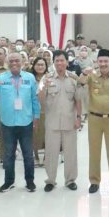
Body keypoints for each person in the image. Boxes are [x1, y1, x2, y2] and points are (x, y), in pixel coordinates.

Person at [0, 52, 40, 193]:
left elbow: (35, 99)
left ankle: (30, 181)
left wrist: (36, 116)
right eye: (11, 61)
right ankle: (9, 182)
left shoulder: (29, 78)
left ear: (22, 62)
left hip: (26, 121)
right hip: (8, 122)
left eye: (17, 60)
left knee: (28, 154)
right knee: (8, 154)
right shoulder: (1, 78)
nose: (14, 63)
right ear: (7, 62)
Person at [79, 49, 109, 194]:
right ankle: (94, 181)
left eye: (106, 61)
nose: (103, 64)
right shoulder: (91, 76)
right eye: (101, 61)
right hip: (94, 118)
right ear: (97, 62)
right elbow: (80, 83)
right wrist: (84, 73)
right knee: (94, 151)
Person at [39, 50, 82, 192]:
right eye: (57, 60)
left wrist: (78, 118)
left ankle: (70, 180)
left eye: (62, 60)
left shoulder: (73, 78)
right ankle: (50, 180)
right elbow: (41, 101)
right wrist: (43, 88)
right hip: (52, 122)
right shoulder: (46, 79)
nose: (59, 63)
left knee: (70, 153)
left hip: (70, 122)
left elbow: (78, 100)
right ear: (53, 62)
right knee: (51, 153)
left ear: (67, 62)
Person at [31, 56, 48, 167]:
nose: (40, 67)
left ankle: (47, 157)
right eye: (38, 64)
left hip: (47, 110)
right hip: (32, 110)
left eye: (42, 64)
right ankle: (35, 157)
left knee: (47, 134)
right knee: (34, 134)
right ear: (34, 66)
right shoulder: (29, 78)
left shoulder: (49, 77)